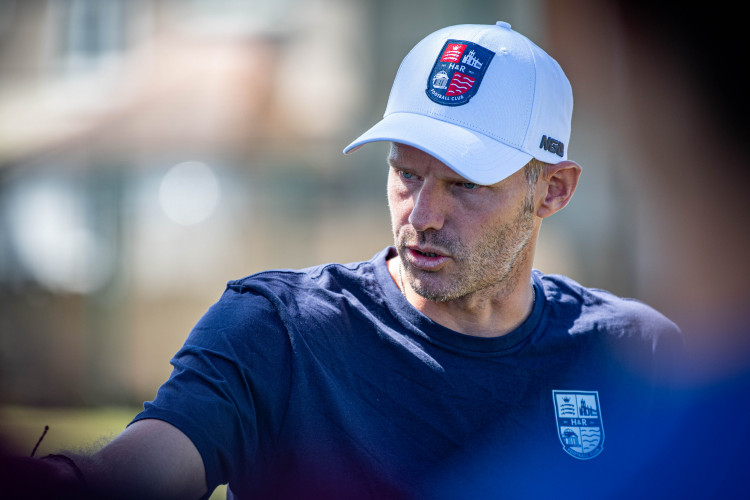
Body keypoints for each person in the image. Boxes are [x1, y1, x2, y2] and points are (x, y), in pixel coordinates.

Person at [1, 21, 684, 499]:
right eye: (405, 174)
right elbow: (142, 469)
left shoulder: (641, 356)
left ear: (553, 190)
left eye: (465, 184)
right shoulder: (278, 331)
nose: (422, 215)